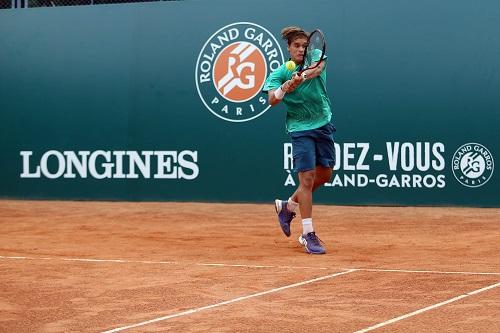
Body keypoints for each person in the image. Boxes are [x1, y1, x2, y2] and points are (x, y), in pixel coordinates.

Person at [263, 26, 336, 255]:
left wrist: (301, 76)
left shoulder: (315, 57)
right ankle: (307, 234)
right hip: (299, 128)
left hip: (323, 122)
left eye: (305, 45)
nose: (302, 49)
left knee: (325, 175)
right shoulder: (281, 72)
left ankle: (288, 207)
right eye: (297, 45)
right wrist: (286, 86)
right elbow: (272, 99)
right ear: (289, 48)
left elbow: (317, 69)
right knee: (307, 179)